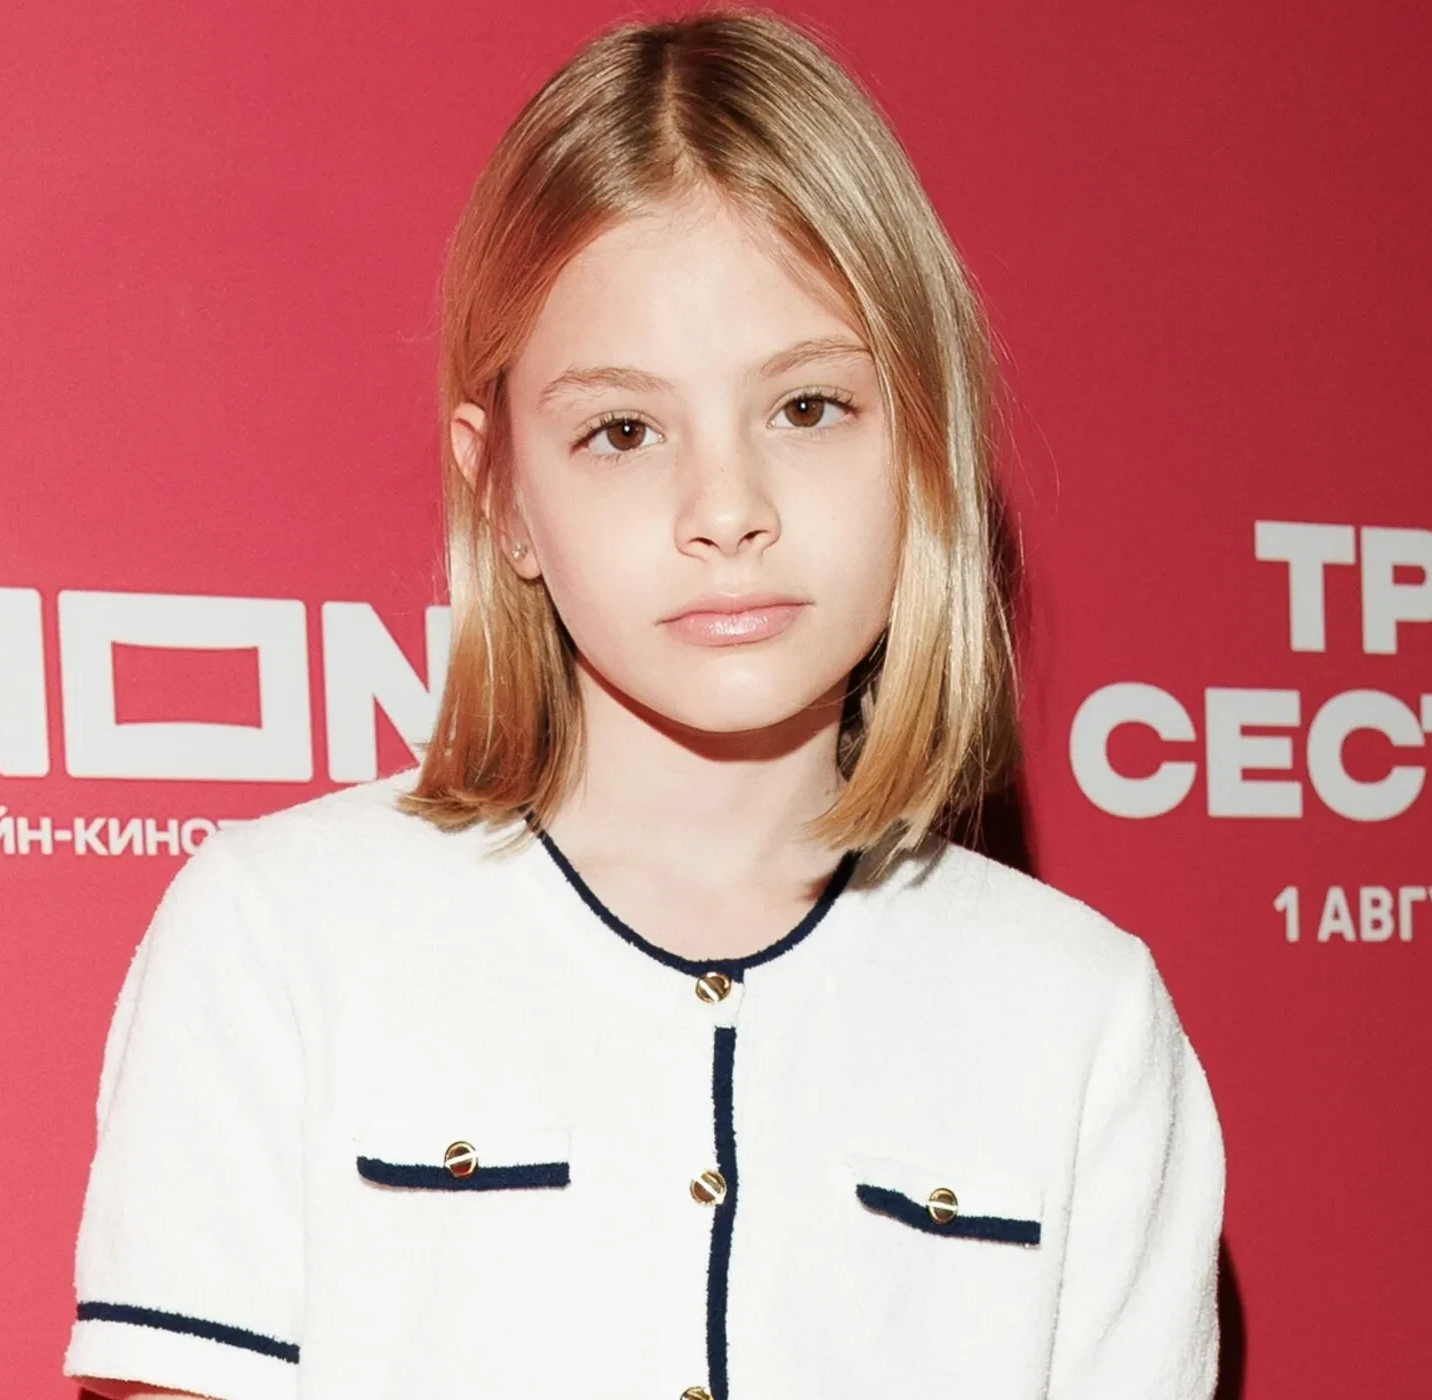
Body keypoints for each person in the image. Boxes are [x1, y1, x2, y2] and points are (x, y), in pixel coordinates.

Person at [62, 9, 1226, 1399]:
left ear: (925, 441)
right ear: (502, 492)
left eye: (806, 409)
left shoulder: (1082, 1015)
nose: (724, 509)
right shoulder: (282, 934)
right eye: (622, 430)